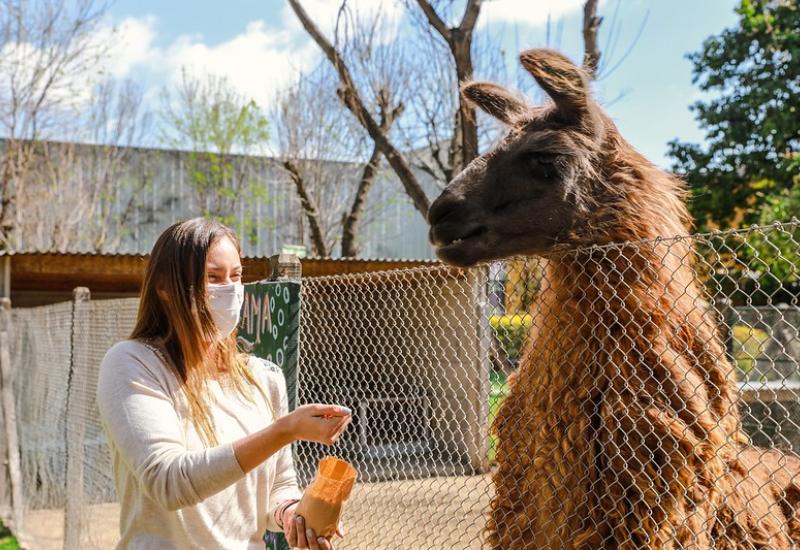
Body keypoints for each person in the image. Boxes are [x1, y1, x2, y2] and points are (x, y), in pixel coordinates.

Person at [97, 218, 351, 549]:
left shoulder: (264, 377)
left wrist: (292, 514)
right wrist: (282, 431)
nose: (229, 290)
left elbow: (280, 483)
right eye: (212, 278)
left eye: (237, 276)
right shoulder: (132, 363)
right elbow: (169, 483)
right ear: (164, 288)